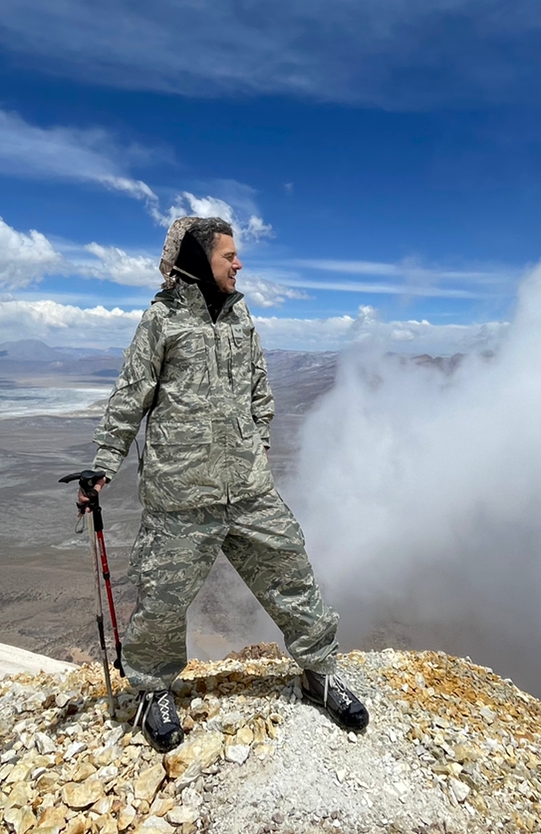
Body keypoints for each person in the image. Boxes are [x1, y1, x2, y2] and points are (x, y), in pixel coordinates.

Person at [80, 215, 369, 751]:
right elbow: (130, 396)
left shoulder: (241, 317)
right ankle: (153, 690)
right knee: (162, 599)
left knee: (292, 576)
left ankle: (318, 674)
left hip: (248, 489)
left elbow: (261, 390)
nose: (239, 265)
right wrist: (104, 464)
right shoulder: (161, 321)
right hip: (180, 493)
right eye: (228, 256)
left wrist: (254, 447)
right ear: (198, 261)